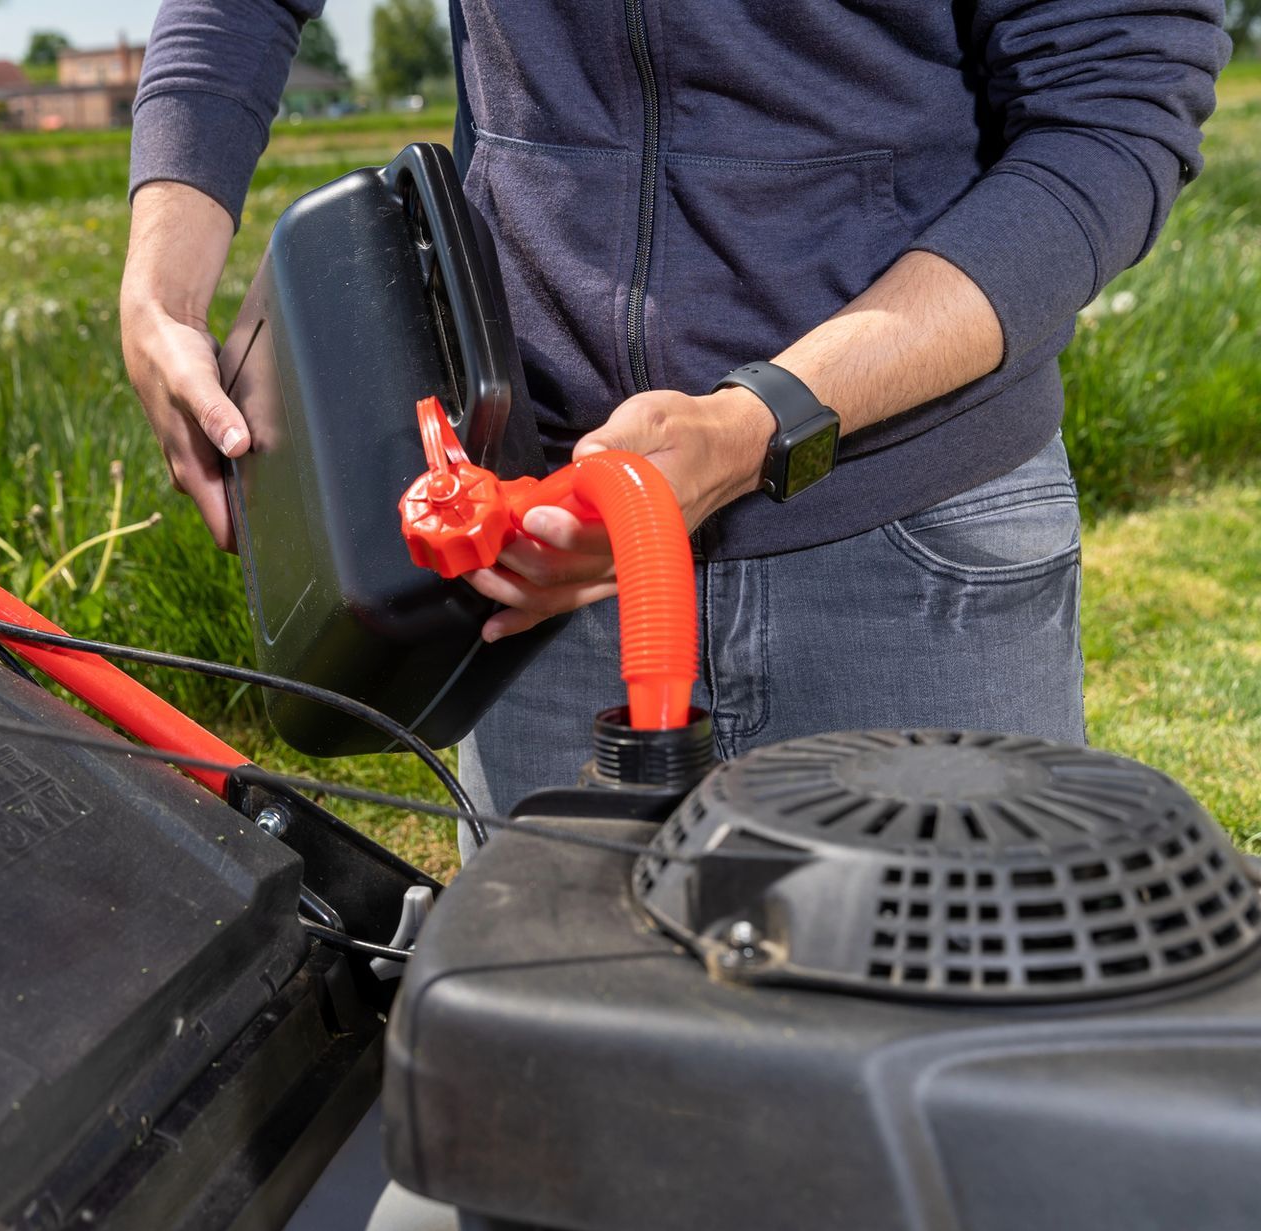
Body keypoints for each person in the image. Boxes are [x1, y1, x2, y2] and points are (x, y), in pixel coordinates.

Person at [121, 1, 1230, 816]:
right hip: (542, 551)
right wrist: (160, 282)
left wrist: (763, 419)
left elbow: (1111, 111)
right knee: (567, 1043)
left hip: (913, 547)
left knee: (942, 1035)